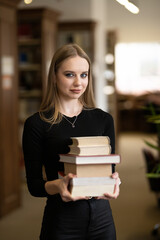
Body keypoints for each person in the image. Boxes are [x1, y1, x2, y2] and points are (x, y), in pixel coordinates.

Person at [22, 43, 120, 240]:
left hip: (102, 218)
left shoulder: (103, 120)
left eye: (83, 75)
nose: (78, 82)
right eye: (69, 74)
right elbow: (34, 185)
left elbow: (107, 172)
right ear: (54, 77)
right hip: (62, 219)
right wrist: (59, 186)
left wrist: (114, 182)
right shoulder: (37, 124)